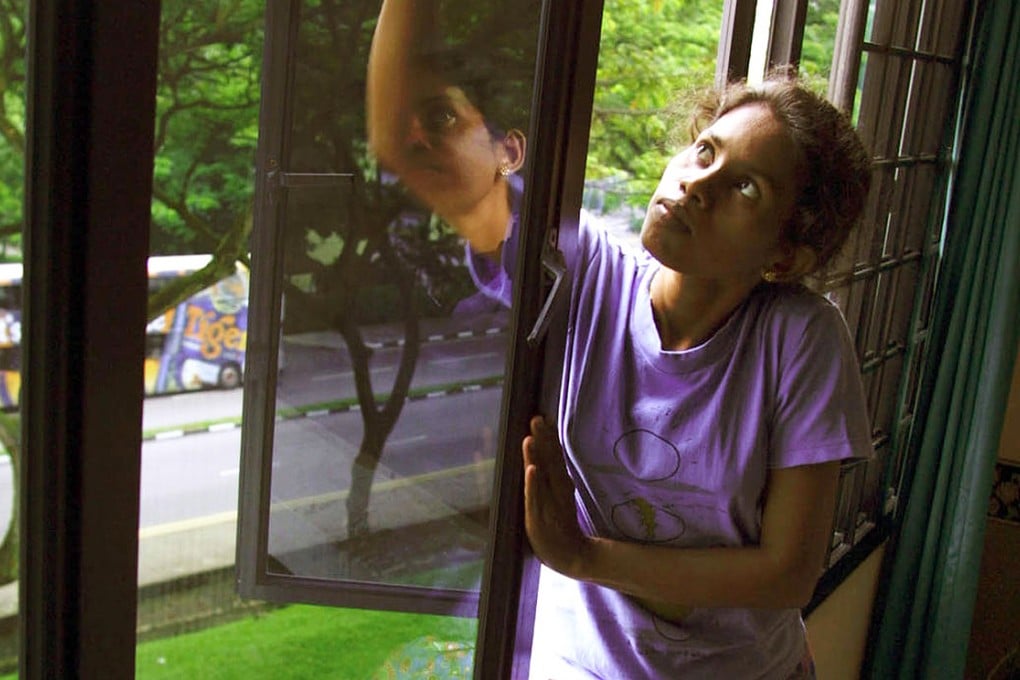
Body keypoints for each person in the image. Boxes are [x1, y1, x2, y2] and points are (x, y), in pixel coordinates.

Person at [367, 3, 873, 678]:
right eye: (704, 151)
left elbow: (787, 574)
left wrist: (581, 557)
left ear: (784, 256)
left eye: (744, 187)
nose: (696, 185)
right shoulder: (584, 278)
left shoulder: (802, 338)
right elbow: (409, 145)